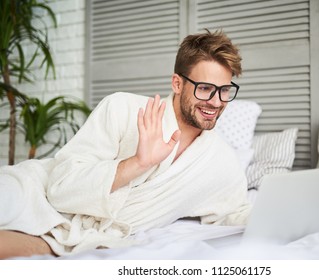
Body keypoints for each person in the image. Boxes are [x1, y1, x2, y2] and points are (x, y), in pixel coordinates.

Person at [0, 29, 251, 259]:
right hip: (34, 190)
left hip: (87, 235)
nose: (216, 102)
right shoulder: (121, 107)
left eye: (225, 91)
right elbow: (61, 189)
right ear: (177, 83)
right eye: (205, 88)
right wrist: (138, 163)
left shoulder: (220, 161)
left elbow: (237, 212)